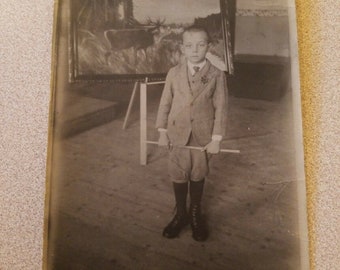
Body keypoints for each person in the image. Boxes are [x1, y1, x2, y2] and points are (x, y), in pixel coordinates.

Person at [155, 25, 228, 241]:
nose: (195, 50)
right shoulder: (173, 73)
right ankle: (181, 213)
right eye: (189, 46)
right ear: (182, 48)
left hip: (202, 136)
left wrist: (216, 139)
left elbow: (221, 107)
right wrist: (162, 131)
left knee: (197, 173)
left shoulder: (216, 74)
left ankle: (195, 213)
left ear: (209, 46)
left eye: (200, 44)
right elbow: (165, 103)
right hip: (177, 134)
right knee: (178, 173)